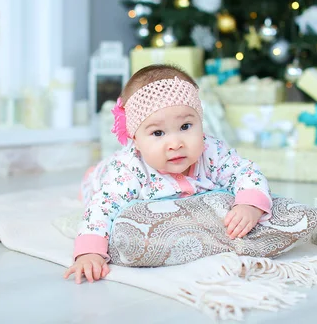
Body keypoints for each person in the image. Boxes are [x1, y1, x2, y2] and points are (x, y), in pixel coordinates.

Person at [63, 64, 272, 284]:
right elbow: (102, 207)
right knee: (96, 191)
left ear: (201, 122)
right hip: (104, 176)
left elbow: (245, 171)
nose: (175, 143)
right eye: (158, 133)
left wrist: (250, 204)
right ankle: (91, 174)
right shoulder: (129, 170)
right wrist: (89, 252)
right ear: (136, 140)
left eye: (185, 126)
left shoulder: (212, 151)